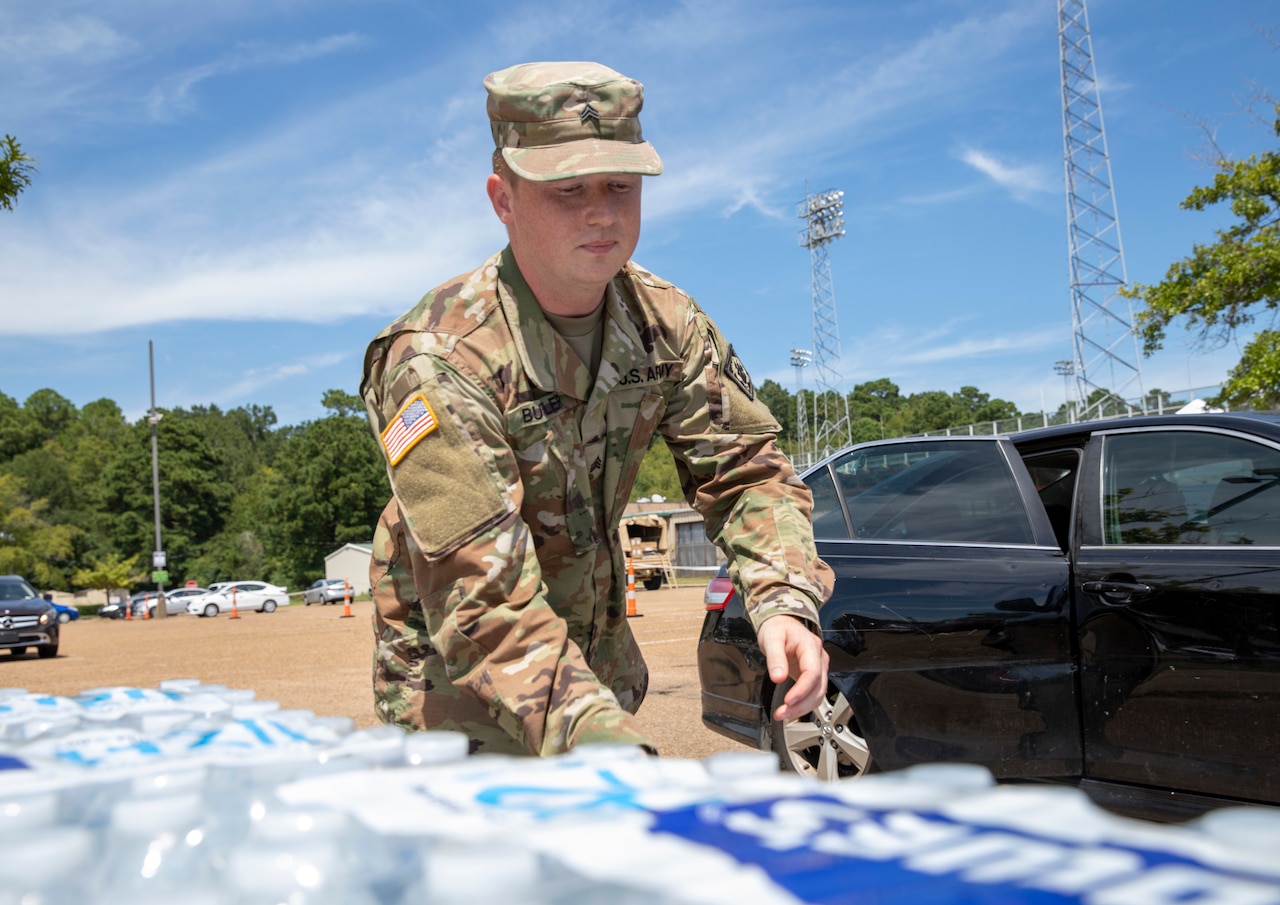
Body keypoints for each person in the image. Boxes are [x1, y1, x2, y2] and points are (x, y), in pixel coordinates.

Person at [360, 61, 833, 756]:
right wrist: (606, 745)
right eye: (567, 188)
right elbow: (482, 595)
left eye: (620, 185)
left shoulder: (666, 322)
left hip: (600, 673)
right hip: (463, 713)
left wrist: (783, 599)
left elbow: (745, 471)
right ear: (504, 198)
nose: (602, 212)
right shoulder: (437, 358)